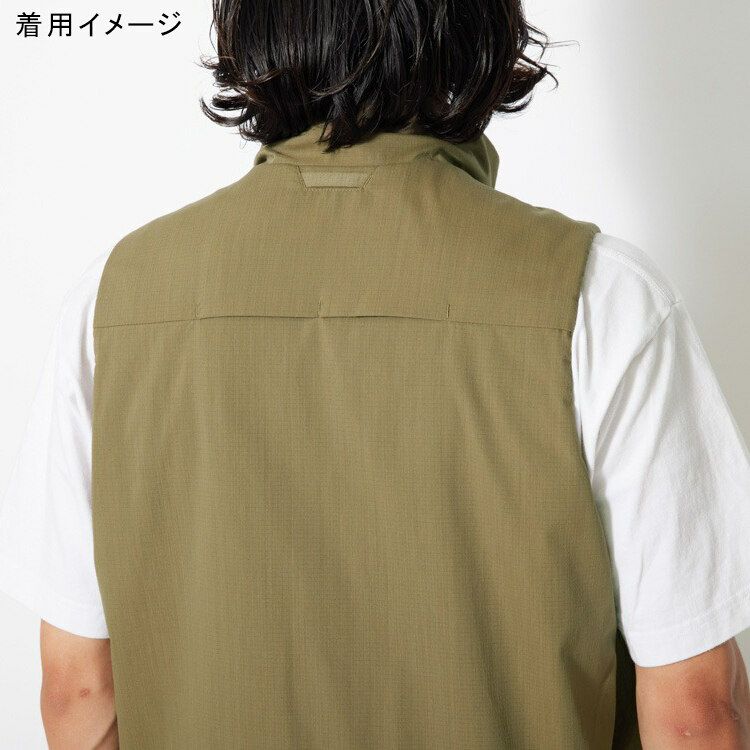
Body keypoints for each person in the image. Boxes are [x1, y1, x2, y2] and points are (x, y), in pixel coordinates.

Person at [2, 0, 750, 747]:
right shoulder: (605, 296)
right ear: (479, 29)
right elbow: (694, 715)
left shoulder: (113, 301)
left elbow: (77, 693)